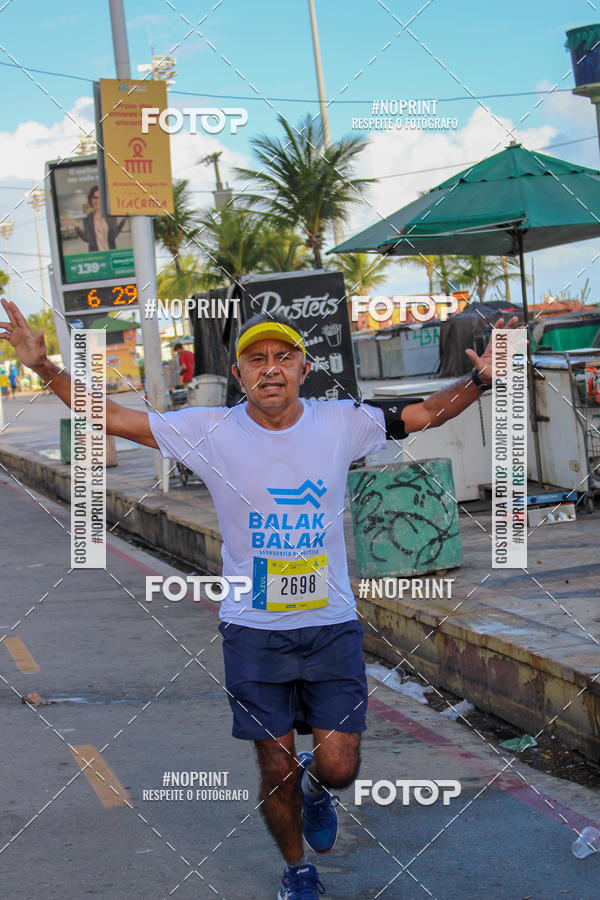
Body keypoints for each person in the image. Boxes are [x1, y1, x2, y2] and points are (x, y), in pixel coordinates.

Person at [0, 298, 519, 900]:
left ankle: (318, 788)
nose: (270, 368)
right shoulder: (209, 431)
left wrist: (480, 382)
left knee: (339, 767)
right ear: (239, 374)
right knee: (274, 765)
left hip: (330, 626)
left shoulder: (342, 421)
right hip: (253, 631)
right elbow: (113, 419)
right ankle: (298, 870)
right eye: (256, 359)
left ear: (303, 368)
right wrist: (45, 369)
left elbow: (427, 412)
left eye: (283, 357)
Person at [62, 186, 126, 252]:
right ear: (91, 200)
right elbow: (87, 238)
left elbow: (114, 235)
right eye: (95, 198)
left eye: (100, 198)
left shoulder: (110, 215)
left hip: (110, 254)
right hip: (95, 255)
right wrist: (75, 225)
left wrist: (124, 220)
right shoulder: (88, 217)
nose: (98, 200)